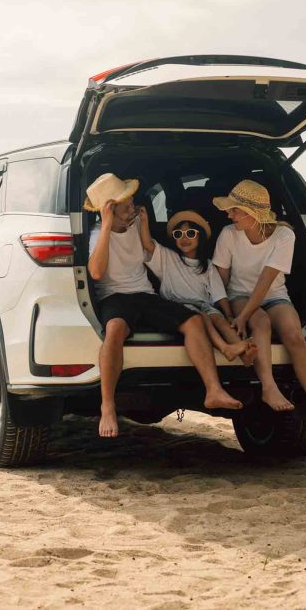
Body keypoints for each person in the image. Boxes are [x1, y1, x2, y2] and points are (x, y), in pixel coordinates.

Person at [85, 173, 242, 438]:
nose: (132, 205)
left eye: (131, 200)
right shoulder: (97, 234)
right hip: (115, 297)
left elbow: (149, 251)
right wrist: (107, 225)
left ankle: (213, 390)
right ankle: (108, 407)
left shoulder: (135, 224)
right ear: (108, 208)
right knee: (114, 331)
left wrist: (143, 224)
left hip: (145, 294)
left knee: (193, 321)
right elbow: (97, 272)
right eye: (126, 202)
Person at [211, 179, 306, 441]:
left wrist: (243, 317)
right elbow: (220, 276)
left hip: (274, 294)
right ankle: (268, 387)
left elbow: (267, 281)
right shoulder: (229, 234)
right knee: (261, 322)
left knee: (294, 336)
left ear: (253, 215)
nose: (229, 215)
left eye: (234, 210)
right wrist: (225, 312)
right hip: (239, 295)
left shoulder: (284, 235)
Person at [135, 207, 257, 367]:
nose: (184, 238)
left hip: (204, 305)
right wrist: (144, 222)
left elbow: (219, 294)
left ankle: (244, 353)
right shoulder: (167, 257)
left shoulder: (207, 265)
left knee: (220, 320)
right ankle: (225, 348)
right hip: (180, 306)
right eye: (178, 234)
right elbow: (148, 244)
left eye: (190, 233)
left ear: (200, 236)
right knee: (203, 318)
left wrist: (229, 315)